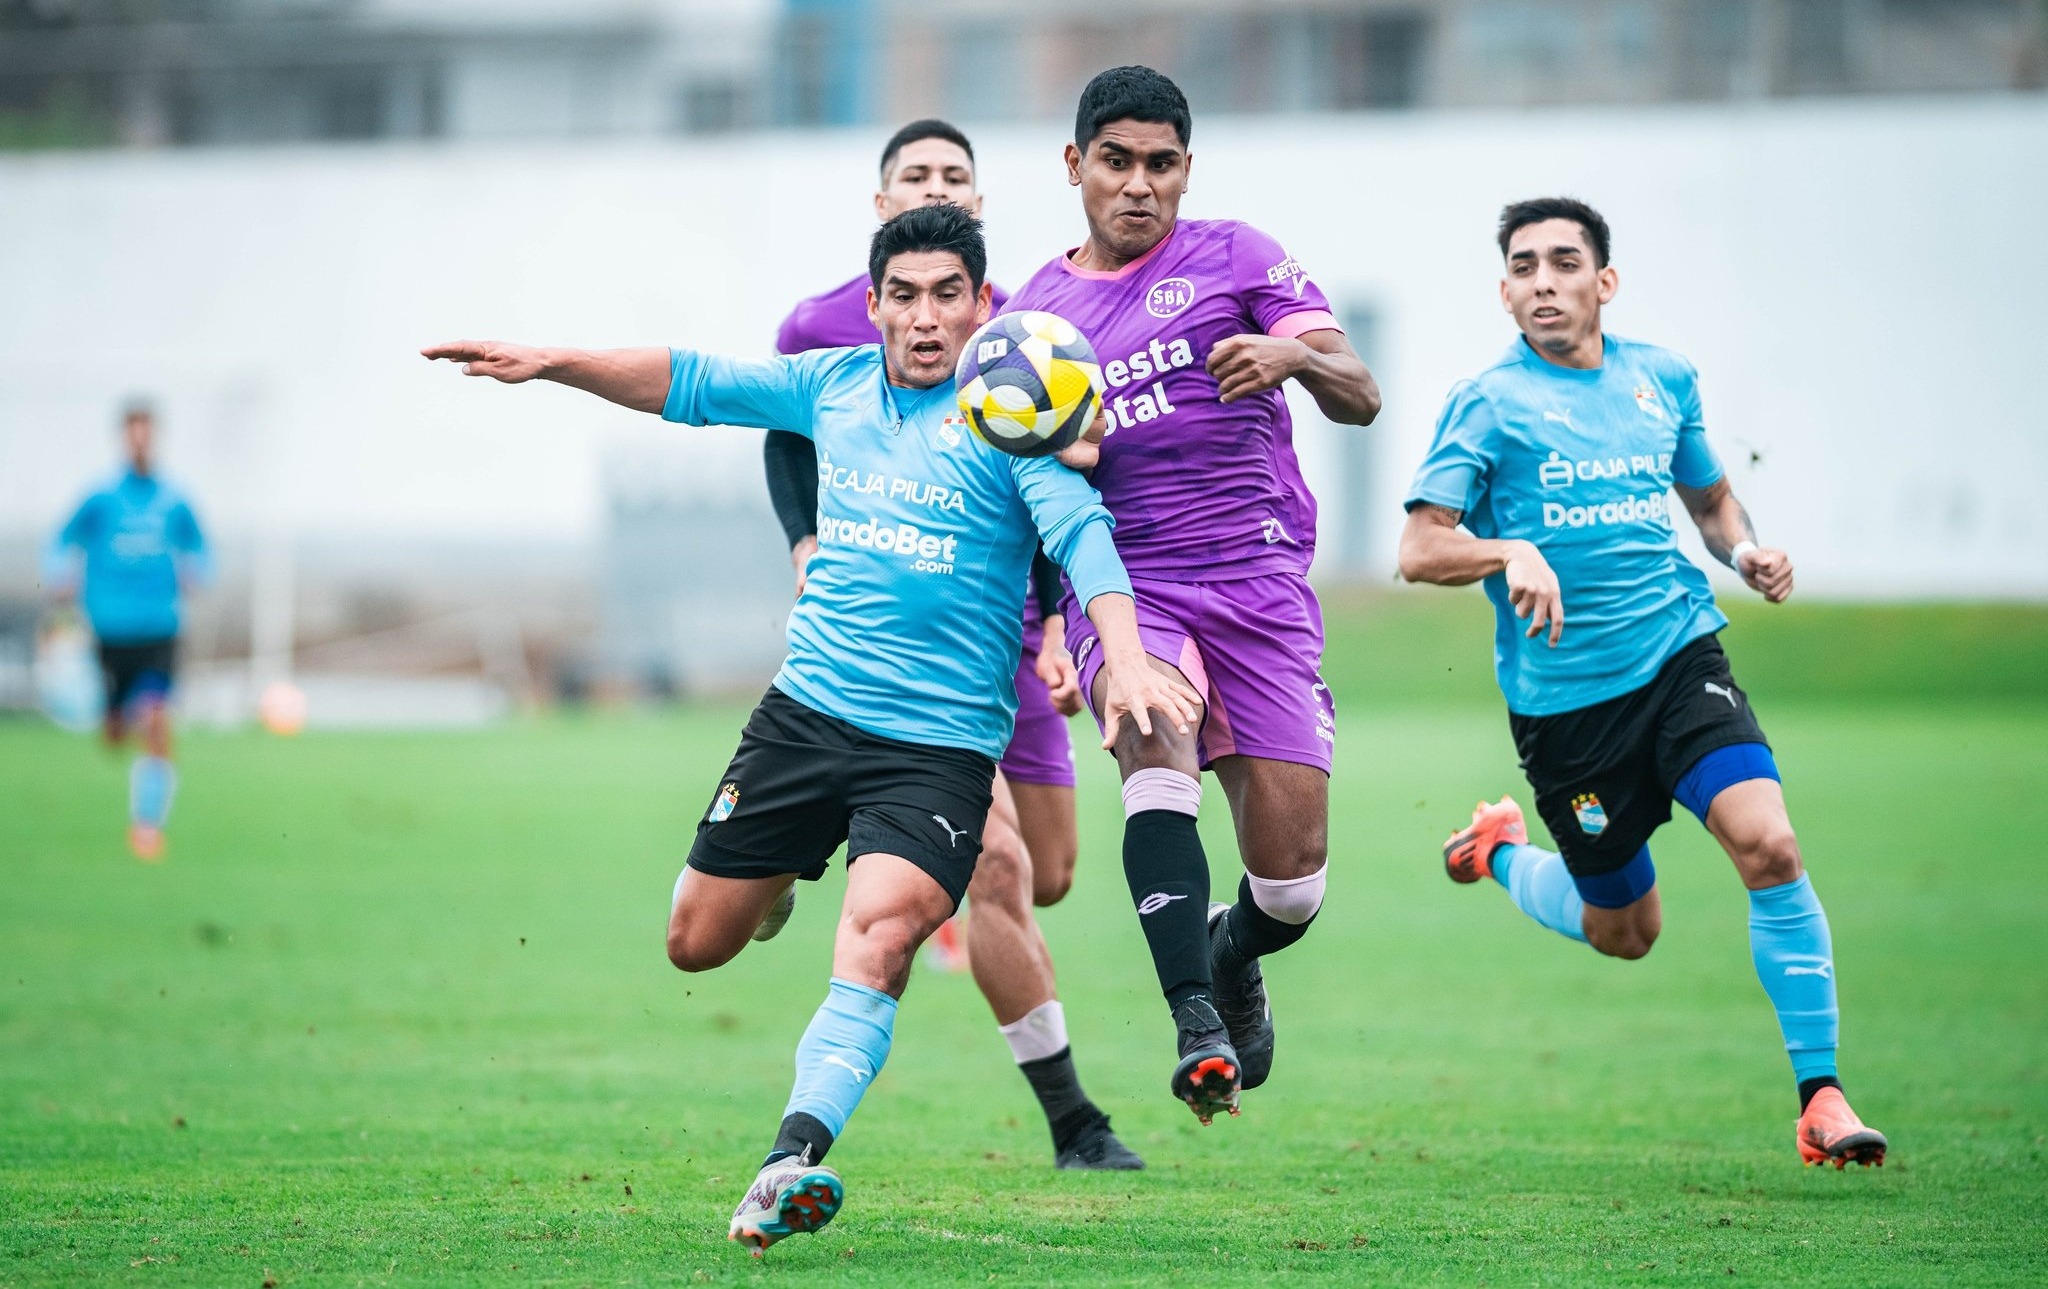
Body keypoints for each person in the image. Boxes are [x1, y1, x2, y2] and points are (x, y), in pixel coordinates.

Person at [422, 203, 1197, 1255]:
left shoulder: (1011, 424)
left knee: (878, 938)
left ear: (980, 307)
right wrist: (553, 358)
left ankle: (786, 1159)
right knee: (695, 941)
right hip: (804, 719)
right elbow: (688, 382)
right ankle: (781, 874)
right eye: (905, 295)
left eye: (946, 296)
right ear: (875, 304)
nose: (925, 318)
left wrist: (1130, 656)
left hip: (934, 754)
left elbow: (1087, 542)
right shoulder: (830, 385)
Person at [1397, 196, 1887, 1169]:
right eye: (1524, 266)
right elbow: (1416, 549)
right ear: (1503, 292)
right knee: (1625, 930)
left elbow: (1707, 498)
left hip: (1679, 660)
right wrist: (1506, 551)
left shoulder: (1660, 379)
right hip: (1567, 713)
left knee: (1770, 844)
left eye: (1563, 262)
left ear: (1602, 282)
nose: (1543, 281)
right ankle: (1499, 851)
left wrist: (1742, 550)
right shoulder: (1487, 402)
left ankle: (1820, 1096)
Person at [1002, 65, 1381, 1123]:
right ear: (1074, 166)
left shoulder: (1239, 255)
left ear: (1184, 169)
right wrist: (1046, 621)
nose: (1137, 185)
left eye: (1159, 164)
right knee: (1150, 737)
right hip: (1125, 585)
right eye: (1114, 162)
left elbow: (1362, 395)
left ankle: (1229, 949)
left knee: (1292, 878)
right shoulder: (1036, 315)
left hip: (1258, 582)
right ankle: (1194, 1022)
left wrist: (1291, 354)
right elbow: (1027, 484)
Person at [764, 117, 1136, 1172]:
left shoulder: (1022, 328)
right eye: (918, 175)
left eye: (957, 175)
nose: (941, 186)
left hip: (1011, 642)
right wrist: (803, 543)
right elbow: (780, 440)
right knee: (1002, 865)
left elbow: (1070, 475)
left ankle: (883, 858)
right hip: (901, 659)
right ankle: (1075, 1121)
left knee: (1052, 870)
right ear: (879, 205)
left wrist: (1063, 617)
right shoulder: (825, 324)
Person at [43, 401, 212, 862]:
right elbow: (63, 539)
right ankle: (114, 716)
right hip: (110, 629)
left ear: (154, 438)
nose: (140, 442)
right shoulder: (101, 498)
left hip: (160, 627)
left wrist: (197, 570)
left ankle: (146, 826)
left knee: (156, 719)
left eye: (147, 434)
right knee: (116, 732)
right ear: (124, 438)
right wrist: (59, 573)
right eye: (132, 433)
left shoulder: (174, 498)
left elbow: (199, 545)